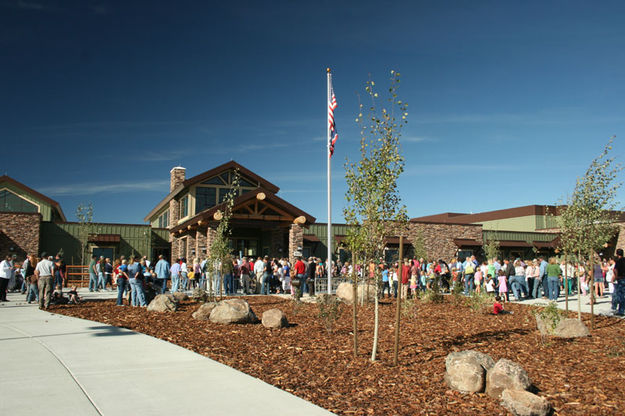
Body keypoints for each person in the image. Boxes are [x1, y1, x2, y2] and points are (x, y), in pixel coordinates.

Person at [612, 248, 625, 316]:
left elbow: (615, 270)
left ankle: (621, 311)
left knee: (620, 295)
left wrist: (616, 277)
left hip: (621, 279)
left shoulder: (618, 261)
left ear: (617, 254)